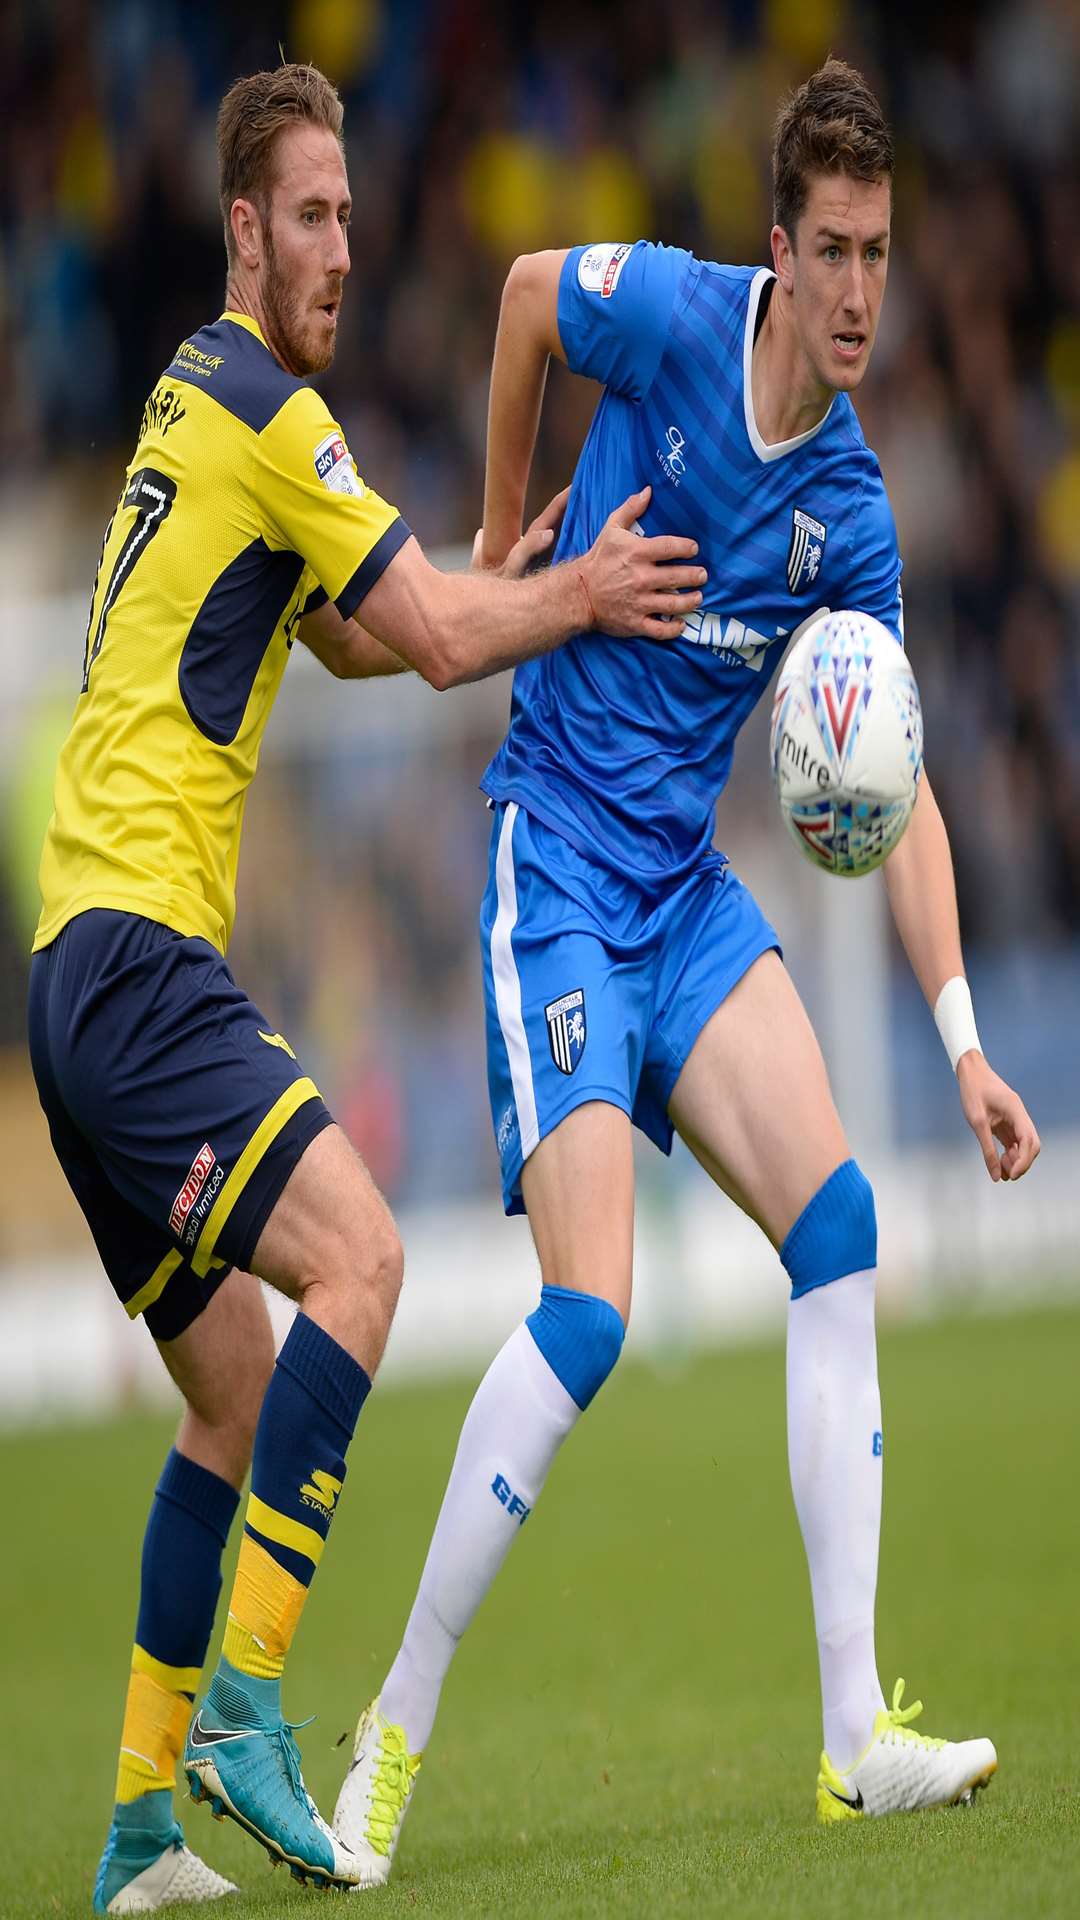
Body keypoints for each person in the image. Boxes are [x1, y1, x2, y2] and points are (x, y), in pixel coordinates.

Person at [332, 57, 1041, 1884]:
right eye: (836, 252)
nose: (867, 290)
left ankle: (847, 1736)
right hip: (556, 863)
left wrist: (964, 1043)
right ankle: (392, 1727)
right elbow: (512, 303)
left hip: (687, 896)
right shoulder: (662, 316)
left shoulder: (856, 516)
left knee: (842, 1229)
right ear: (778, 254)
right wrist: (502, 537)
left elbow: (905, 782)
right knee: (590, 1319)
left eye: (885, 251)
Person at [27, 61, 706, 1916]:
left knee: (231, 1396)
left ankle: (135, 1835)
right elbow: (416, 630)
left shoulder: (192, 386)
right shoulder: (270, 401)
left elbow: (345, 628)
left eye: (347, 213)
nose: (344, 244)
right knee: (368, 1261)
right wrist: (576, 594)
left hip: (69, 972)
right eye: (310, 217)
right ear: (246, 229)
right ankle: (251, 1703)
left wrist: (484, 575)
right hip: (141, 962)